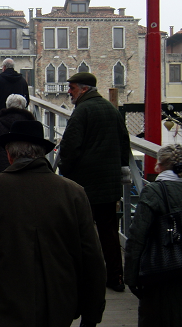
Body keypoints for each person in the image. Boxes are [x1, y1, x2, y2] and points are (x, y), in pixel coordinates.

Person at [0, 120, 107, 327]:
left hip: (3, 302)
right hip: (58, 302)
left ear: (9, 154)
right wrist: (92, 313)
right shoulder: (74, 193)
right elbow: (92, 258)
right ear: (42, 153)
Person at [59, 72, 131, 292]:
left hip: (85, 184)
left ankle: (84, 276)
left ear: (83, 89)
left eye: (72, 88)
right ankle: (116, 276)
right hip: (109, 184)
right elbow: (124, 143)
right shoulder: (112, 109)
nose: (69, 92)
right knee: (109, 231)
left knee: (80, 231)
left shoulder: (82, 111)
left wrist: (65, 174)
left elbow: (70, 148)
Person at [125, 144, 182, 326]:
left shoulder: (155, 191)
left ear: (161, 166)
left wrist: (132, 277)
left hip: (162, 273)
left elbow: (137, 236)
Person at [0, 94, 35, 174]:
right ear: (24, 106)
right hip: (26, 166)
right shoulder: (31, 125)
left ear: (7, 105)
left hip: (2, 167)